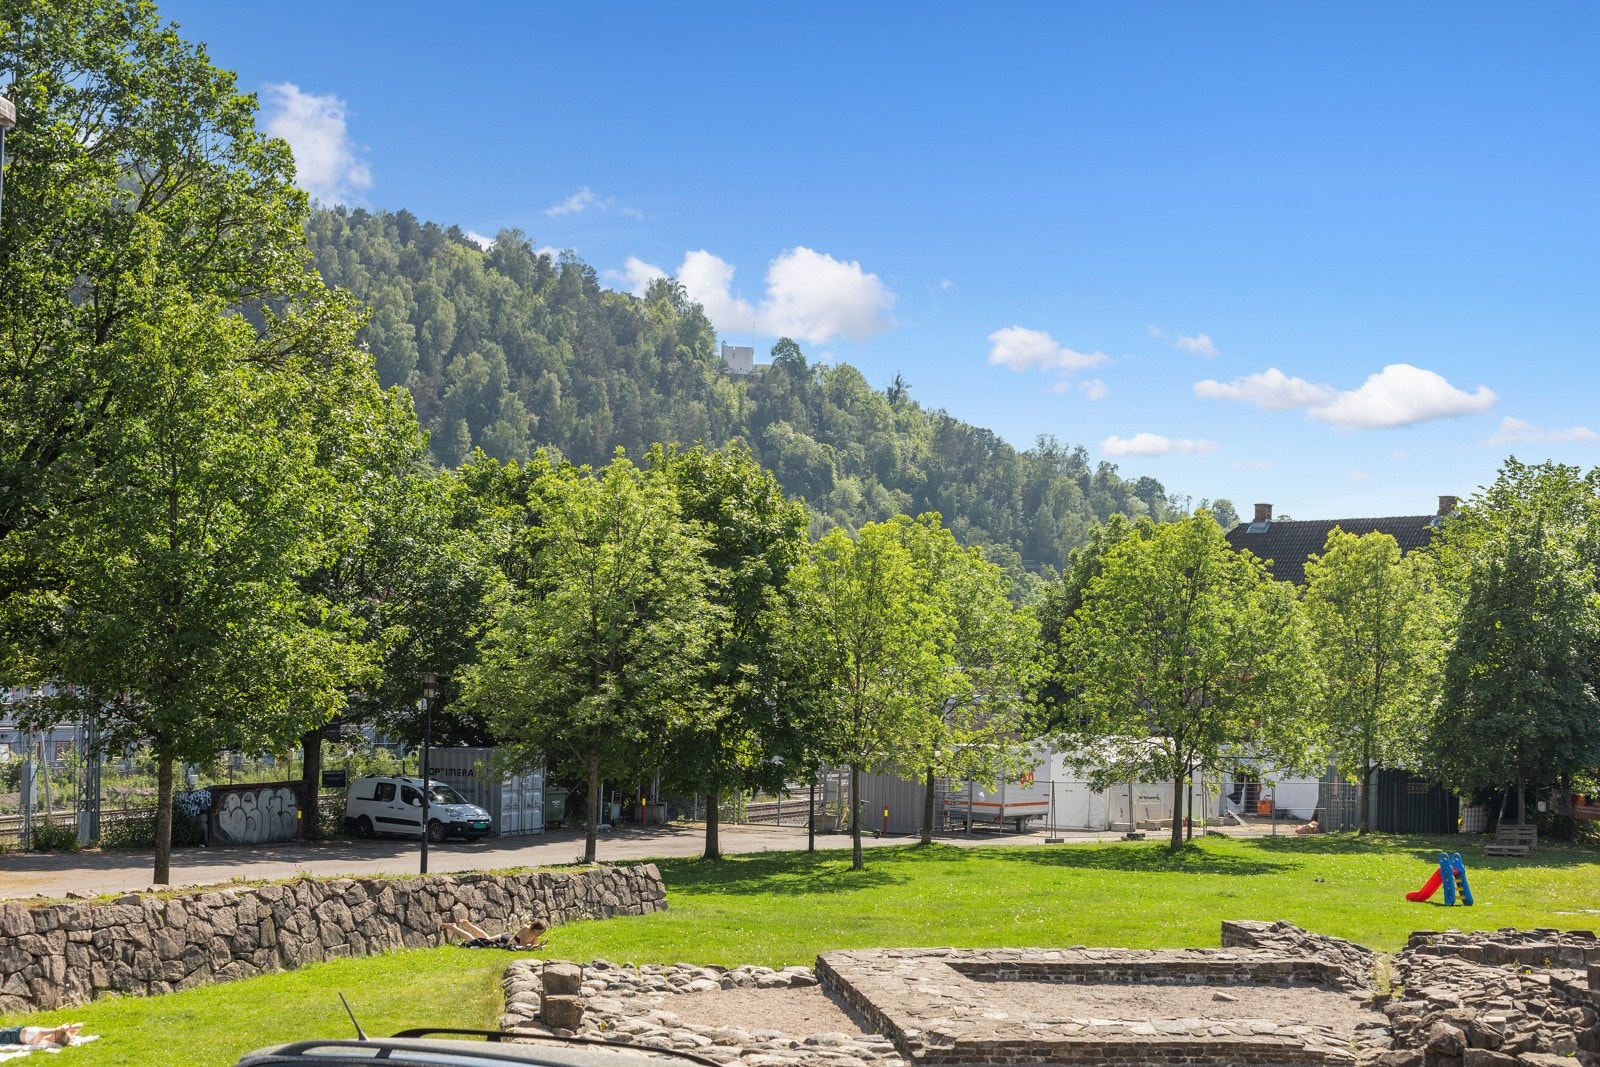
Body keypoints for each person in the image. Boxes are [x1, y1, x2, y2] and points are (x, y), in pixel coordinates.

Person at [439, 917, 546, 949]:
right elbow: (523, 946)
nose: (540, 934)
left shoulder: (534, 934)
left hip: (506, 939)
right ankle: (454, 927)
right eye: (540, 932)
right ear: (535, 928)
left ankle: (467, 924)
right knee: (475, 941)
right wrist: (534, 947)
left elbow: (532, 945)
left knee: (486, 938)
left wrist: (539, 946)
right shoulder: (526, 929)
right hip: (503, 940)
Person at [0, 1022, 84, 1048]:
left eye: (56, 1034)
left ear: (55, 1040)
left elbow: (41, 1032)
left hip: (9, 1036)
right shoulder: (50, 1036)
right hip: (17, 1029)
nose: (54, 1033)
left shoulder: (41, 1041)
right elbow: (80, 1025)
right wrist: (68, 1027)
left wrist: (57, 1029)